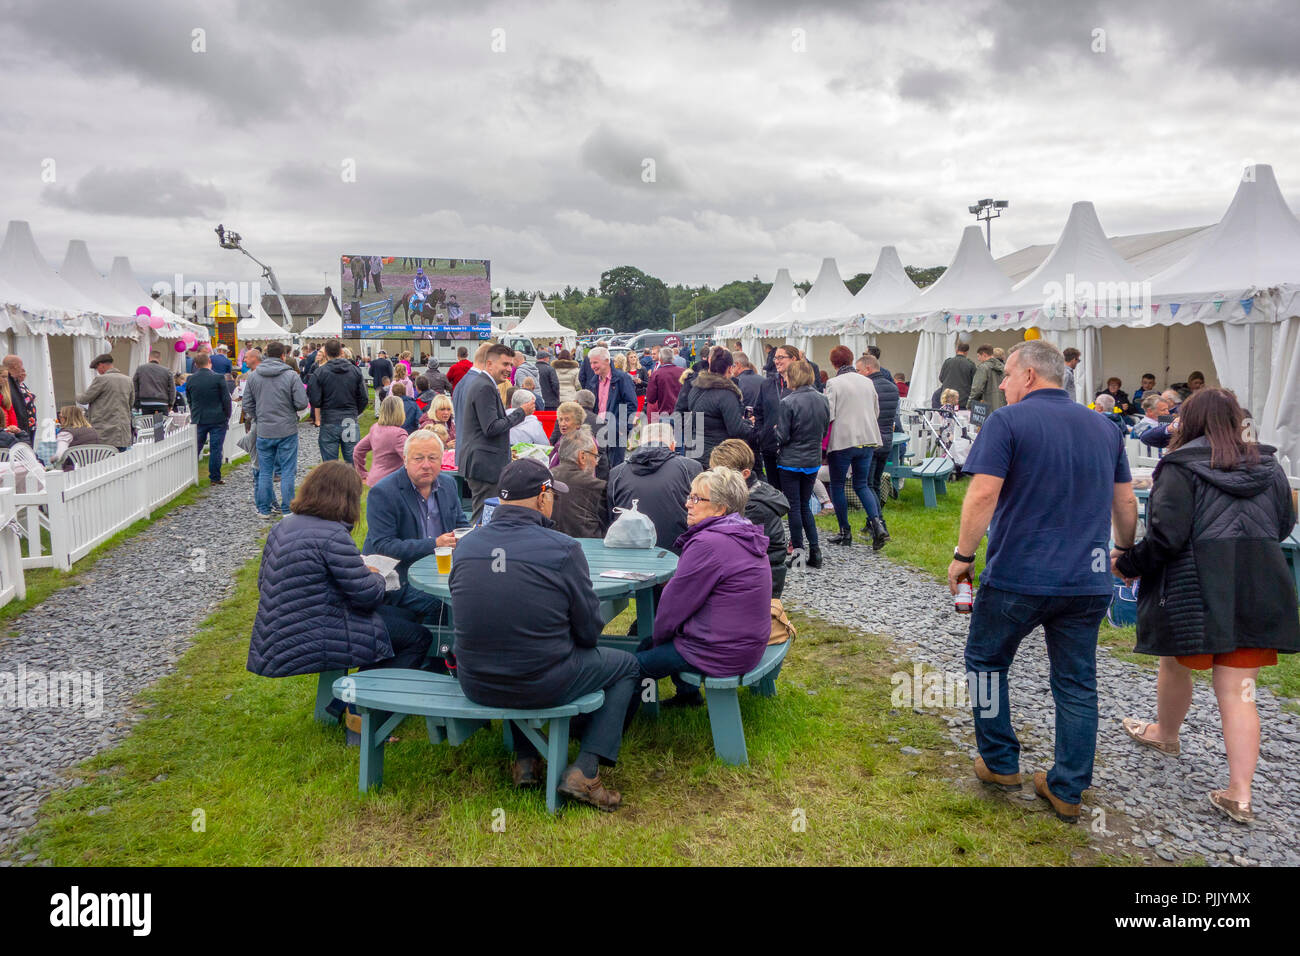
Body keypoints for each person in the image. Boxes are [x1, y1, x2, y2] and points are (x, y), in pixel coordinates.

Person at [951, 339, 1137, 824]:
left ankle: (999, 762)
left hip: (1019, 575)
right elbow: (1126, 502)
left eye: (1007, 376)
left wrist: (963, 555)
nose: (1004, 385)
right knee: (1076, 683)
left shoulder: (1007, 422)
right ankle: (1067, 788)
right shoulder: (1105, 426)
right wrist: (1122, 550)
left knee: (987, 661)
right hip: (1087, 579)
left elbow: (983, 493)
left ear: (1029, 376)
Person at [1113, 388, 1299, 824]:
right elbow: (1283, 524)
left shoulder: (1178, 467)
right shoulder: (1269, 466)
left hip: (1194, 588)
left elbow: (1166, 536)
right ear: (1235, 421)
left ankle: (1166, 733)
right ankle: (1241, 792)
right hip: (1260, 586)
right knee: (1241, 692)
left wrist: (1128, 564)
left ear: (1189, 421)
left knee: (1175, 662)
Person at [449, 458, 638, 810]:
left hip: (474, 679)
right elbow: (589, 632)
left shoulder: (466, 546)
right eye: (552, 494)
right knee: (626, 665)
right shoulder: (563, 548)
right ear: (541, 497)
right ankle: (585, 768)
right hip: (542, 681)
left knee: (516, 642)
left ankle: (525, 759)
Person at [248, 461, 434, 731]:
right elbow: (368, 596)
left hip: (283, 628)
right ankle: (360, 708)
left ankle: (339, 703)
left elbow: (262, 581)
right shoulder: (333, 534)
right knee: (418, 637)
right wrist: (376, 575)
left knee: (405, 618)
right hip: (320, 629)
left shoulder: (285, 526)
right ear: (346, 498)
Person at [635, 466, 772, 710]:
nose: (688, 504)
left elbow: (672, 607)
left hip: (719, 652)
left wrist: (660, 640)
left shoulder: (708, 543)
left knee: (631, 667)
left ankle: (596, 733)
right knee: (652, 643)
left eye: (697, 498)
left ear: (720, 508)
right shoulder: (742, 531)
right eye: (690, 496)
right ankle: (687, 696)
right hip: (746, 645)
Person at [362, 429, 467, 630]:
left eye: (432, 458)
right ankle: (433, 654)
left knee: (476, 595)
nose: (426, 465)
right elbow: (383, 546)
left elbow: (460, 525)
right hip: (398, 576)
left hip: (441, 572)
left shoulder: (448, 484)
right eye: (419, 458)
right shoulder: (383, 493)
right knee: (443, 605)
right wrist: (434, 544)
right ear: (405, 459)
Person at [457, 343, 532, 522]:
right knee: (482, 518)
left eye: (510, 365)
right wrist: (521, 412)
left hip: (484, 464)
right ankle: (474, 549)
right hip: (485, 467)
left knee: (486, 517)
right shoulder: (485, 387)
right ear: (489, 364)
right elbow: (491, 428)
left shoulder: (485, 384)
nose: (508, 369)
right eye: (505, 364)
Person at [824, 345, 887, 550]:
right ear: (851, 360)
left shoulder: (833, 383)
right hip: (867, 437)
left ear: (834, 363)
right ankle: (877, 525)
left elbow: (829, 414)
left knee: (837, 485)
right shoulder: (867, 382)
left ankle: (845, 531)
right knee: (862, 485)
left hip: (843, 439)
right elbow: (875, 410)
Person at [709, 439, 789, 597]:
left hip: (763, 578)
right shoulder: (751, 493)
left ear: (745, 474)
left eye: (721, 476)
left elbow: (732, 544)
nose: (714, 480)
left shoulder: (753, 506)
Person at [607, 421, 701, 552]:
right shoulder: (690, 467)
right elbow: (701, 512)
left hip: (627, 552)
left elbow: (610, 515)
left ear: (640, 445)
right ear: (673, 446)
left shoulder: (617, 472)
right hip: (677, 552)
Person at [243, 341, 309, 517]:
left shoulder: (254, 376)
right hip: (287, 428)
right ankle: (287, 509)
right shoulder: (291, 376)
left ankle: (264, 509)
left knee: (265, 471)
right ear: (283, 356)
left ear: (265, 355)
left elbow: (247, 404)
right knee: (287, 471)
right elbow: (302, 402)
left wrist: (258, 416)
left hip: (264, 429)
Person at [773, 359, 829, 568]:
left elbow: (783, 436)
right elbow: (824, 428)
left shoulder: (788, 402)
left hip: (791, 461)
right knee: (804, 505)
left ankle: (798, 555)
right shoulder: (823, 399)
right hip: (812, 459)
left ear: (793, 377)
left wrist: (775, 431)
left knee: (794, 507)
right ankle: (815, 550)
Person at [681, 348, 753, 465]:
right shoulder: (726, 394)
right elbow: (736, 430)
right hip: (716, 455)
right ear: (730, 368)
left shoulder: (696, 388)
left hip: (694, 452)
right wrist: (748, 423)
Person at [857, 353, 900, 530]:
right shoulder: (892, 387)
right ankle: (871, 523)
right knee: (874, 482)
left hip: (872, 440)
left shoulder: (868, 387)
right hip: (887, 440)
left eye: (859, 370)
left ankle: (879, 523)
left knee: (868, 485)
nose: (857, 374)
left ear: (868, 368)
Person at [308, 339, 368, 464]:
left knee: (330, 464)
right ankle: (352, 484)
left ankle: (331, 484)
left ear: (325, 353)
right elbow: (363, 397)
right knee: (352, 462)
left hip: (330, 419)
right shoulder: (355, 371)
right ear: (341, 351)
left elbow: (314, 399)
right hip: (349, 419)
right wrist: (354, 412)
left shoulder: (320, 372)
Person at [585, 347, 638, 469]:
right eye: (591, 363)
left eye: (595, 362)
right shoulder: (593, 381)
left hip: (617, 431)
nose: (592, 366)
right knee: (600, 467)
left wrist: (622, 427)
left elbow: (631, 404)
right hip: (598, 430)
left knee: (615, 467)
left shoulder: (622, 378)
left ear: (607, 361)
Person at [550, 428, 608, 538]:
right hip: (588, 549)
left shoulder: (543, 479)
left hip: (548, 546)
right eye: (595, 457)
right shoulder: (598, 487)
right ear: (582, 457)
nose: (596, 463)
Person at [186, 350, 232, 484]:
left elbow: (189, 399)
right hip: (217, 418)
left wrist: (194, 411)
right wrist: (227, 415)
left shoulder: (190, 379)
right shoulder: (218, 378)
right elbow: (226, 399)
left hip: (199, 417)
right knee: (215, 448)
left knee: (196, 447)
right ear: (209, 362)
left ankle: (190, 474)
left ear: (195, 364)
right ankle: (215, 477)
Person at [754, 345, 797, 484]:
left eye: (781, 357)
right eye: (775, 358)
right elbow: (758, 411)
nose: (777, 361)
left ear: (793, 359)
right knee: (774, 488)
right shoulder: (767, 384)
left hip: (793, 448)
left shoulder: (802, 385)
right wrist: (762, 433)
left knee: (793, 494)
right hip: (770, 446)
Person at [76, 354, 135, 451]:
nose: (98, 372)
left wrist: (76, 395)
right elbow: (131, 403)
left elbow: (85, 399)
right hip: (123, 430)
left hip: (104, 430)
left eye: (97, 368)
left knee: (104, 461)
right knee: (122, 460)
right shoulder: (128, 380)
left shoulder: (101, 379)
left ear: (102, 365)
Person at [353, 395, 410, 487]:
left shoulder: (375, 428)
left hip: (374, 480)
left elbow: (357, 450)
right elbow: (409, 458)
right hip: (392, 483)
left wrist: (362, 473)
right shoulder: (399, 434)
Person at [133, 350, 175, 418]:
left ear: (149, 358)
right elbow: (172, 389)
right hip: (162, 403)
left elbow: (135, 387)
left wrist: (136, 403)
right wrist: (170, 404)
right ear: (160, 359)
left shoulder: (140, 369)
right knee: (159, 427)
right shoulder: (167, 371)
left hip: (145, 403)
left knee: (147, 425)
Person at [645, 347, 684, 420]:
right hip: (681, 413)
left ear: (660, 360)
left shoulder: (657, 374)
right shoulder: (683, 372)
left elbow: (651, 398)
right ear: (673, 358)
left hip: (665, 413)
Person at [3, 355, 36, 438]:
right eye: (21, 365)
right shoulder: (8, 382)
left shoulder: (15, 382)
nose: (22, 369)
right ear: (15, 365)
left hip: (23, 426)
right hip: (15, 427)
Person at [938, 341, 977, 409]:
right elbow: (974, 383)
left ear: (956, 350)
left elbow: (941, 378)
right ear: (966, 352)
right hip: (963, 400)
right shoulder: (970, 364)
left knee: (945, 418)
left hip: (947, 399)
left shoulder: (947, 362)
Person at [968, 344, 1005, 412]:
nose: (978, 359)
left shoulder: (983, 368)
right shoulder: (1003, 367)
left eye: (978, 356)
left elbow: (977, 389)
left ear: (984, 354)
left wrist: (969, 404)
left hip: (989, 406)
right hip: (1004, 405)